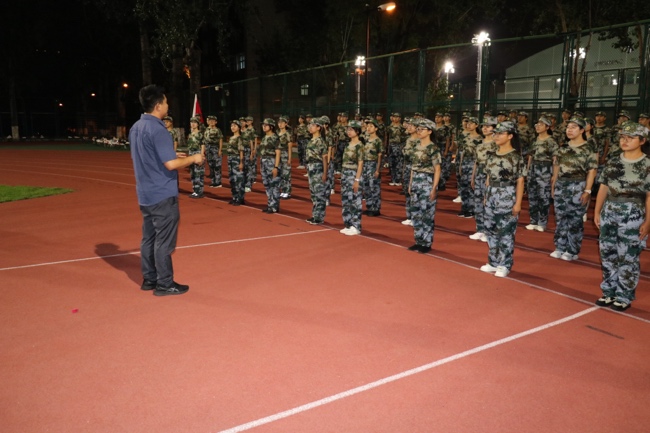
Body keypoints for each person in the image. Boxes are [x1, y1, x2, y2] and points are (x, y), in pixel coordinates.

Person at [129, 84, 204, 296]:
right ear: (158, 106)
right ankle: (164, 283)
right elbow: (170, 165)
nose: (168, 105)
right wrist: (193, 158)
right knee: (163, 240)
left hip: (145, 193)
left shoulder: (136, 127)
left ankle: (149, 279)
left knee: (148, 238)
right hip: (162, 193)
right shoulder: (158, 129)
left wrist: (172, 156)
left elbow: (148, 156)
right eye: (166, 102)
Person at [594, 122, 650, 311]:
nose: (624, 141)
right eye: (623, 137)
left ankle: (624, 295)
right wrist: (597, 211)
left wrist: (648, 221)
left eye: (630, 138)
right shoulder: (613, 161)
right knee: (607, 253)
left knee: (628, 255)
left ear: (642, 140)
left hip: (633, 213)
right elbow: (604, 187)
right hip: (609, 210)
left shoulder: (647, 165)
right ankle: (609, 291)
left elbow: (649, 196)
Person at [480, 121, 526, 278]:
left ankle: (505, 264)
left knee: (505, 231)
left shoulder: (516, 157)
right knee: (490, 229)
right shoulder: (491, 155)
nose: (496, 136)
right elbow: (488, 177)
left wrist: (518, 203)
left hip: (507, 194)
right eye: (495, 133)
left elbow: (520, 180)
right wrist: (486, 196)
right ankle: (493, 262)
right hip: (491, 194)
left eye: (500, 133)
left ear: (510, 136)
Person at [550, 117, 598, 261]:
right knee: (560, 217)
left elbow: (592, 171)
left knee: (575, 219)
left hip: (578, 185)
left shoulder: (588, 148)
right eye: (568, 127)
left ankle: (572, 250)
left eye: (573, 127)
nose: (569, 130)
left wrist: (587, 190)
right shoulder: (563, 148)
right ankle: (560, 246)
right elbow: (557, 166)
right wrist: (554, 184)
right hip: (561, 185)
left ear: (582, 130)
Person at [407, 118, 441, 253]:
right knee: (415, 212)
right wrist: (410, 183)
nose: (419, 131)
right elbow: (413, 167)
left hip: (427, 181)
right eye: (418, 129)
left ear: (430, 131)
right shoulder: (416, 146)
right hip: (416, 181)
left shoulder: (433, 148)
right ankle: (418, 240)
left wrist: (434, 188)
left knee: (427, 213)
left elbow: (437, 169)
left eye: (422, 129)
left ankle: (426, 243)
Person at [526, 116, 558, 232]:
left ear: (547, 127)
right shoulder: (535, 140)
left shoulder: (551, 141)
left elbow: (555, 159)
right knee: (532, 195)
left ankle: (542, 222)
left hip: (545, 169)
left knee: (543, 196)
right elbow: (530, 156)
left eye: (541, 124)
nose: (537, 126)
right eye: (537, 124)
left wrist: (554, 175)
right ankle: (533, 221)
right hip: (533, 169)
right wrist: (528, 170)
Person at [469, 117, 498, 242]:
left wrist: (489, 178)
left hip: (490, 176)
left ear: (494, 128)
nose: (485, 128)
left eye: (488, 126)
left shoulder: (496, 145)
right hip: (479, 175)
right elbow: (476, 162)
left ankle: (489, 231)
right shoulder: (479, 144)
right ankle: (480, 229)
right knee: (478, 202)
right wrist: (473, 177)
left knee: (489, 203)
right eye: (483, 126)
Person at [339, 120, 365, 235]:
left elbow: (360, 163)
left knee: (355, 200)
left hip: (354, 174)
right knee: (346, 200)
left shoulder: (360, 146)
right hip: (345, 174)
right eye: (348, 129)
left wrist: (357, 180)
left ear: (357, 131)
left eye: (351, 129)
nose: (348, 131)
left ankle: (356, 226)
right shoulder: (347, 144)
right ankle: (348, 224)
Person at [305, 117, 329, 224]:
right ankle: (315, 215)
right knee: (313, 192)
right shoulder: (311, 140)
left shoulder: (320, 141)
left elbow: (324, 158)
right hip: (311, 167)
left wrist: (325, 173)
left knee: (319, 193)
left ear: (319, 128)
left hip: (318, 167)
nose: (310, 127)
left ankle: (319, 217)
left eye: (313, 125)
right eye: (310, 125)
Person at [457, 117, 482, 218]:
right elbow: (462, 152)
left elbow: (479, 156)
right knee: (463, 186)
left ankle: (472, 209)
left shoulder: (480, 139)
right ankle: (464, 207)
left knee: (471, 186)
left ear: (476, 125)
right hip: (465, 163)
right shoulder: (465, 138)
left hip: (474, 163)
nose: (469, 125)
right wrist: (460, 165)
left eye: (472, 123)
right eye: (468, 123)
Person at [258, 118, 281, 213]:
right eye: (263, 125)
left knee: (274, 184)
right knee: (267, 184)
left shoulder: (275, 138)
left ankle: (274, 206)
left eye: (266, 125)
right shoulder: (264, 137)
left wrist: (276, 167)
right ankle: (270, 204)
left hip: (271, 161)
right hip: (264, 161)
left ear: (271, 127)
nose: (264, 126)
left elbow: (278, 153)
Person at [362, 118, 383, 216]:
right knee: (366, 187)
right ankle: (369, 206)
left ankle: (376, 208)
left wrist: (378, 169)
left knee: (374, 187)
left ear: (376, 129)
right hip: (365, 165)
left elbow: (380, 156)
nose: (368, 128)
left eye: (371, 126)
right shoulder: (365, 140)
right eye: (368, 126)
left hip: (373, 165)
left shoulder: (378, 141)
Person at [400, 117, 419, 225]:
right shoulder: (408, 139)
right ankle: (409, 216)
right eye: (409, 125)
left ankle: (416, 217)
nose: (409, 127)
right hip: (407, 168)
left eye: (412, 125)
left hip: (416, 169)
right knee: (407, 192)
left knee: (415, 193)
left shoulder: (419, 141)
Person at [224, 120, 245, 205]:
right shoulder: (231, 138)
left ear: (239, 128)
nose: (232, 127)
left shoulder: (240, 138)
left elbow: (241, 151)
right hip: (230, 159)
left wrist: (241, 162)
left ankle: (240, 198)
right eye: (232, 126)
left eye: (235, 126)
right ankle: (235, 197)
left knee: (238, 179)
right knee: (232, 179)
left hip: (237, 159)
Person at [186, 116, 205, 198]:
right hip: (191, 154)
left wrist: (202, 155)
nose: (193, 124)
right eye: (191, 122)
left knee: (198, 173)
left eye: (194, 122)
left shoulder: (200, 134)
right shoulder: (190, 134)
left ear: (198, 124)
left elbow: (203, 145)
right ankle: (195, 190)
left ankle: (199, 191)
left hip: (197, 153)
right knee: (192, 173)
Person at [204, 115, 224, 188]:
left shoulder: (217, 130)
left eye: (213, 121)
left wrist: (220, 150)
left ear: (216, 122)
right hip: (208, 148)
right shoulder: (206, 130)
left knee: (217, 165)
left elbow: (220, 140)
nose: (211, 122)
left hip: (215, 148)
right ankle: (213, 181)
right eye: (210, 120)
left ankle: (218, 182)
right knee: (211, 165)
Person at [387, 113, 405, 186]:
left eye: (397, 117)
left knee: (398, 163)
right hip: (391, 146)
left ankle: (398, 179)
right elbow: (387, 137)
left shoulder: (402, 127)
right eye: (394, 117)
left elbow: (404, 139)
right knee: (392, 163)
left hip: (399, 146)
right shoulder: (389, 127)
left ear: (400, 118)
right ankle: (393, 179)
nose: (395, 118)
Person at [277, 116, 293, 199]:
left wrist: (289, 158)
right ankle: (282, 190)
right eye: (279, 122)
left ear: (286, 124)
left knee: (286, 174)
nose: (280, 124)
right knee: (279, 174)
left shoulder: (287, 134)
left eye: (282, 123)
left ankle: (287, 191)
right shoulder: (277, 133)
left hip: (285, 154)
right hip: (277, 155)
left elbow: (290, 147)